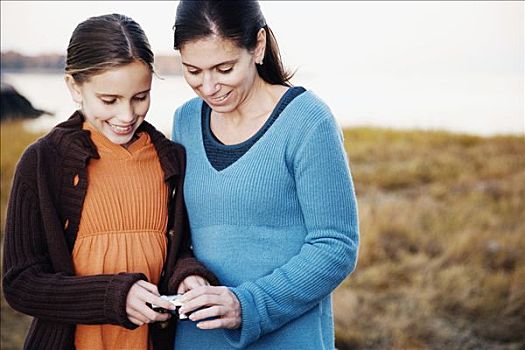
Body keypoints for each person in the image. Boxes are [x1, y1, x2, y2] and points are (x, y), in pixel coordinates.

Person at [2, 13, 217, 350]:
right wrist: (115, 296)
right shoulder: (43, 162)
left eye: (140, 96)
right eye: (109, 100)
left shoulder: (171, 159)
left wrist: (188, 277)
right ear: (74, 86)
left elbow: (180, 251)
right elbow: (21, 283)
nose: (127, 115)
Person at [170, 1, 360, 348]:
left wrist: (249, 306)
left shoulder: (307, 121)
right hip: (197, 337)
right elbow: (177, 232)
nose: (209, 86)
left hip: (289, 338)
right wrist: (188, 272)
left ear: (257, 46)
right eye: (193, 71)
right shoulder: (184, 121)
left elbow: (336, 246)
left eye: (224, 68)